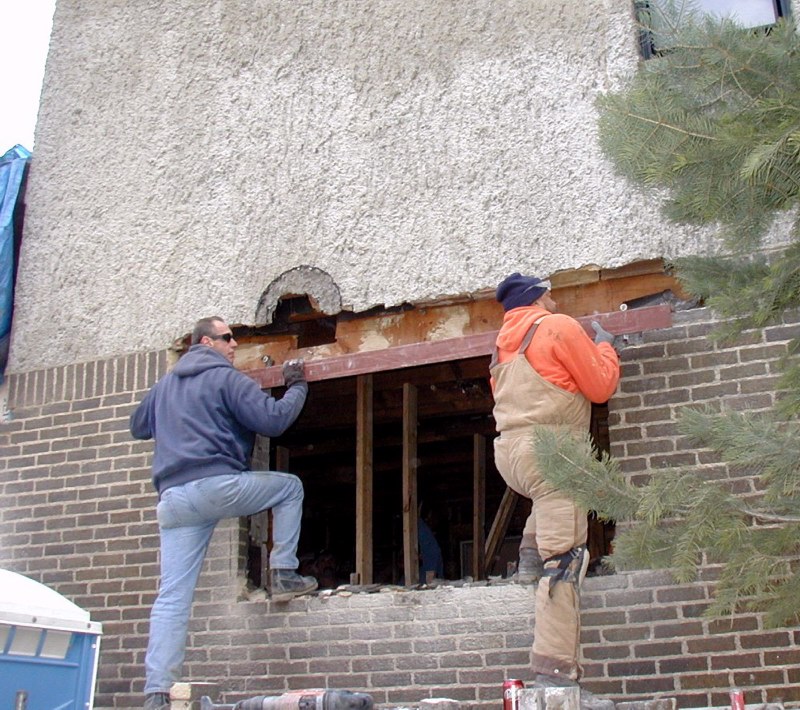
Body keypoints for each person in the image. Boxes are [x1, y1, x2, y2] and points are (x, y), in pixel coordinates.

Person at [130, 316, 317, 710]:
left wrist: (172, 405)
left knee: (171, 597)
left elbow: (137, 426)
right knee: (289, 488)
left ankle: (157, 692)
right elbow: (274, 420)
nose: (234, 345)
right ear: (205, 342)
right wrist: (297, 385)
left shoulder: (166, 385)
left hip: (174, 501)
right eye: (228, 338)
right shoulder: (225, 378)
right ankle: (283, 573)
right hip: (215, 485)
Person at [489, 273, 620, 708]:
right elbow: (600, 387)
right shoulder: (558, 325)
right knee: (566, 560)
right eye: (550, 293)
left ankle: (527, 562)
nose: (555, 298)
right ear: (538, 297)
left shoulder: (502, 344)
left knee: (545, 496)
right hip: (554, 456)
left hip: (512, 457)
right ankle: (555, 675)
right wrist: (606, 347)